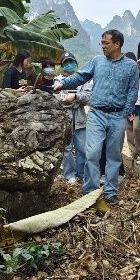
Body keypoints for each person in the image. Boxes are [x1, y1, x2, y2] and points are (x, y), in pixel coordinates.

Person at [53, 30, 138, 205]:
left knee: (114, 156)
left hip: (117, 116)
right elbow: (80, 76)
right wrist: (62, 83)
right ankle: (90, 191)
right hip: (96, 114)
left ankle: (110, 191)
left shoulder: (131, 66)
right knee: (92, 152)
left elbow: (132, 91)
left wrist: (124, 113)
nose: (103, 46)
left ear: (117, 44)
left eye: (106, 43)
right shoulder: (97, 61)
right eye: (102, 42)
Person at [57, 52, 92, 185]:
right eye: (66, 63)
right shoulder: (58, 81)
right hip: (64, 118)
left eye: (71, 62)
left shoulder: (84, 80)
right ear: (62, 65)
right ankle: (69, 174)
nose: (69, 65)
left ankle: (81, 173)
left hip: (80, 118)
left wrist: (74, 98)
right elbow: (59, 98)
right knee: (67, 148)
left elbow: (87, 97)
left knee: (82, 147)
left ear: (76, 63)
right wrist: (77, 99)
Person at [123, 52, 140, 160]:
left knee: (137, 128)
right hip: (128, 105)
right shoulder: (124, 76)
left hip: (139, 105)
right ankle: (133, 151)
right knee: (129, 128)